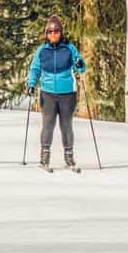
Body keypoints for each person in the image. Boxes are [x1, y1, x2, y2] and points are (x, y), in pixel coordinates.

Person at [27, 15, 86, 170]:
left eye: (56, 31)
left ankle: (69, 158)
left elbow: (80, 66)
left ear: (61, 33)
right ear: (46, 33)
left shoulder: (69, 48)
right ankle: (44, 158)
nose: (53, 34)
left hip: (67, 93)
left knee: (66, 125)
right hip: (48, 94)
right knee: (48, 125)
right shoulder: (42, 50)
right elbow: (34, 69)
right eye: (50, 31)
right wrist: (31, 84)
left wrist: (79, 63)